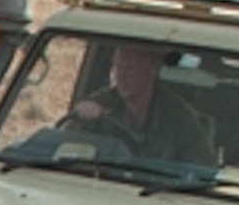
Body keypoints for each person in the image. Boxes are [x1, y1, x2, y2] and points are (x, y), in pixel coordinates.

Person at [64, 41, 216, 163]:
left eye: (131, 68)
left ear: (152, 69)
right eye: (118, 66)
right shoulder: (105, 102)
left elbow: (201, 169)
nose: (122, 75)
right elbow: (71, 134)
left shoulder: (180, 120)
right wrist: (83, 112)